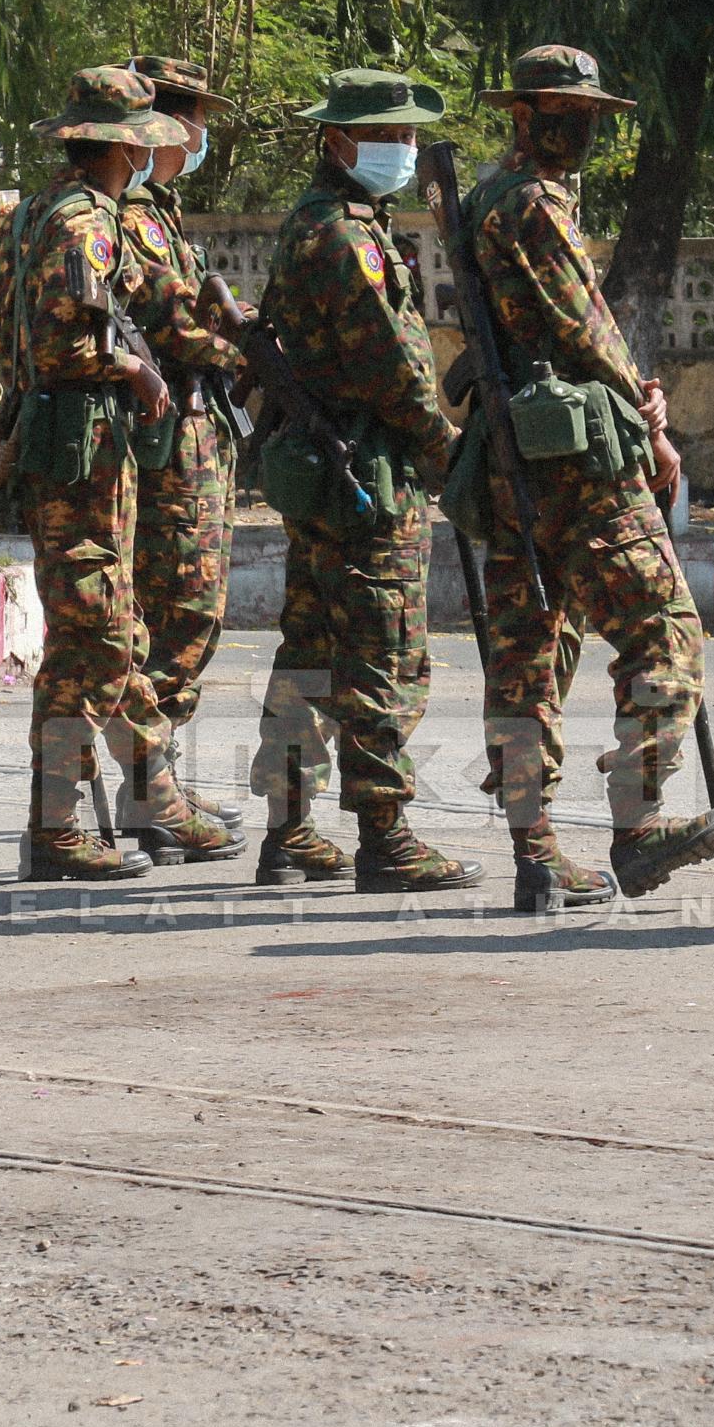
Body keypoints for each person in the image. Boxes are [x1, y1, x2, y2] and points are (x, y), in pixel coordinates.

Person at [459, 45, 714, 913]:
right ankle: (637, 821)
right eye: (561, 112)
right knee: (667, 634)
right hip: (576, 459)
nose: (577, 128)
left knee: (528, 653)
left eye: (587, 115)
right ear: (522, 114)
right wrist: (647, 411)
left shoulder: (481, 198)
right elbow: (587, 330)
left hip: (516, 457)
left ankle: (535, 850)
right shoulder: (533, 202)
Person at [0, 65, 224, 883]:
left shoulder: (34, 214)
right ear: (126, 145)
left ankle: (153, 795)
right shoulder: (83, 222)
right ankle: (56, 829)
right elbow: (67, 345)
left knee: (113, 630)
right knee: (93, 638)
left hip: (77, 451)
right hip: (82, 456)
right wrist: (130, 374)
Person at [243, 69, 478, 892]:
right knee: (382, 652)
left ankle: (290, 829)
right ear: (337, 140)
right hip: (367, 476)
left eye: (409, 137)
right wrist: (447, 448)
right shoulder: (345, 237)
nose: (404, 151)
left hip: (328, 471)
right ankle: (386, 837)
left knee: (309, 646)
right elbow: (395, 368)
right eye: (390, 137)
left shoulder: (318, 221)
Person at [114, 55, 247, 847]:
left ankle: (159, 778)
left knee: (190, 614)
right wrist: (249, 352)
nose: (200, 133)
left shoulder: (158, 212)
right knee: (177, 609)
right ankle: (147, 785)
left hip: (195, 434)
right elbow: (173, 327)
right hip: (165, 442)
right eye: (190, 115)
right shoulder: (129, 218)